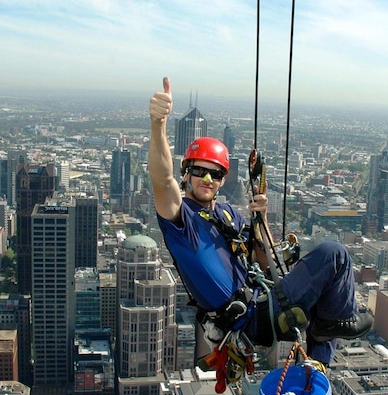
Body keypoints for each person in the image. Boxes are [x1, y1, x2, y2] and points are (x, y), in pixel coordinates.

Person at [149, 76, 372, 366]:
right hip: (253, 316)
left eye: (215, 174)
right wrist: (158, 125)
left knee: (324, 297)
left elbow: (264, 261)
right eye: (199, 171)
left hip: (262, 302)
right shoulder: (182, 222)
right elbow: (162, 180)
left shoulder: (227, 214)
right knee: (335, 255)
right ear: (186, 173)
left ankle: (318, 367)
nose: (207, 179)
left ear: (223, 180)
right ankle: (331, 328)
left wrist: (261, 220)